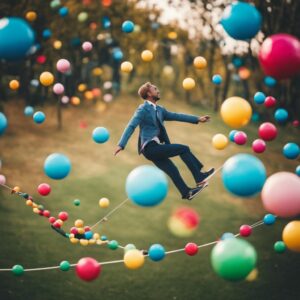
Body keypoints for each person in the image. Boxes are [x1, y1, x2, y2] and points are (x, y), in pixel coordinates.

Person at [114, 82, 214, 200]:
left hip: (155, 148)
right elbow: (131, 126)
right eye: (155, 89)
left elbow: (177, 116)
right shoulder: (143, 109)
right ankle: (199, 177)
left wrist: (197, 119)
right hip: (149, 148)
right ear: (149, 93)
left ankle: (187, 192)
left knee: (172, 170)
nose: (158, 90)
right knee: (184, 149)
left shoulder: (160, 110)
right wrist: (121, 144)